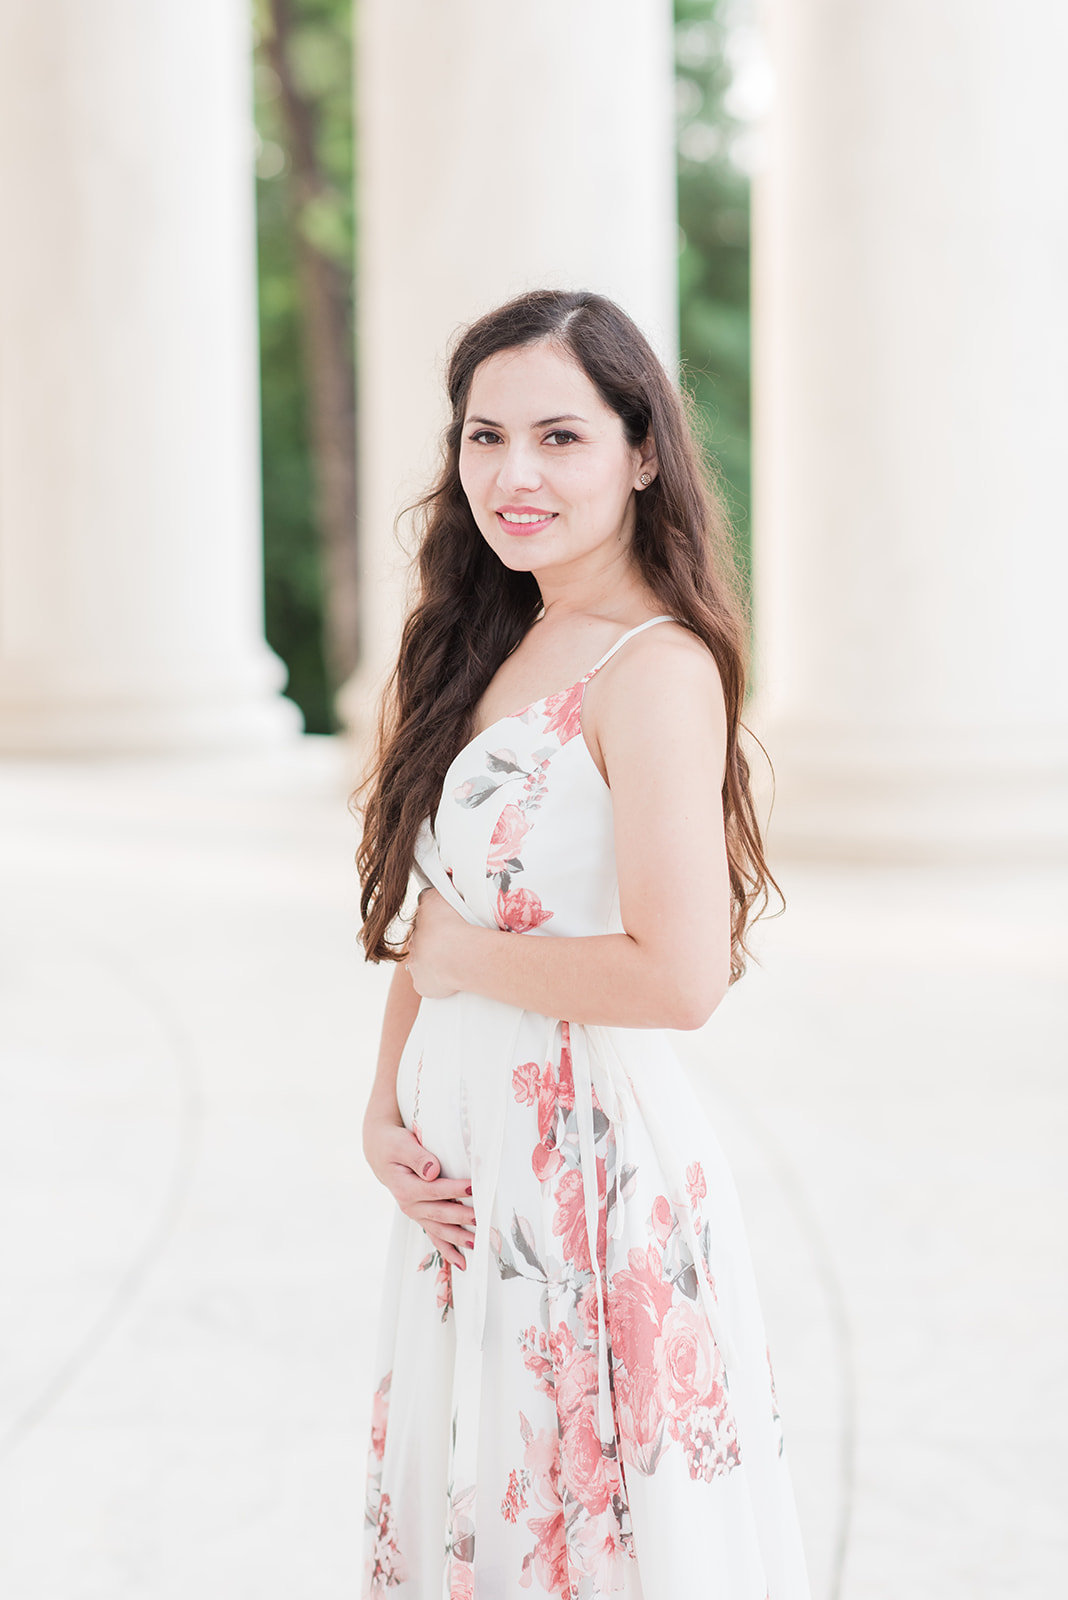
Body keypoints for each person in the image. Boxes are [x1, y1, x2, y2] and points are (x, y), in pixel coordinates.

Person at [353, 289, 812, 1599]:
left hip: (588, 1176)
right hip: (461, 1174)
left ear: (642, 450)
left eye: (560, 436)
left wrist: (456, 968)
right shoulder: (482, 638)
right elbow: (434, 910)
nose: (513, 474)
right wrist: (381, 1107)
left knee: (585, 1547)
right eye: (484, 437)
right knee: (474, 1528)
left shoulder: (655, 671)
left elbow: (681, 977)